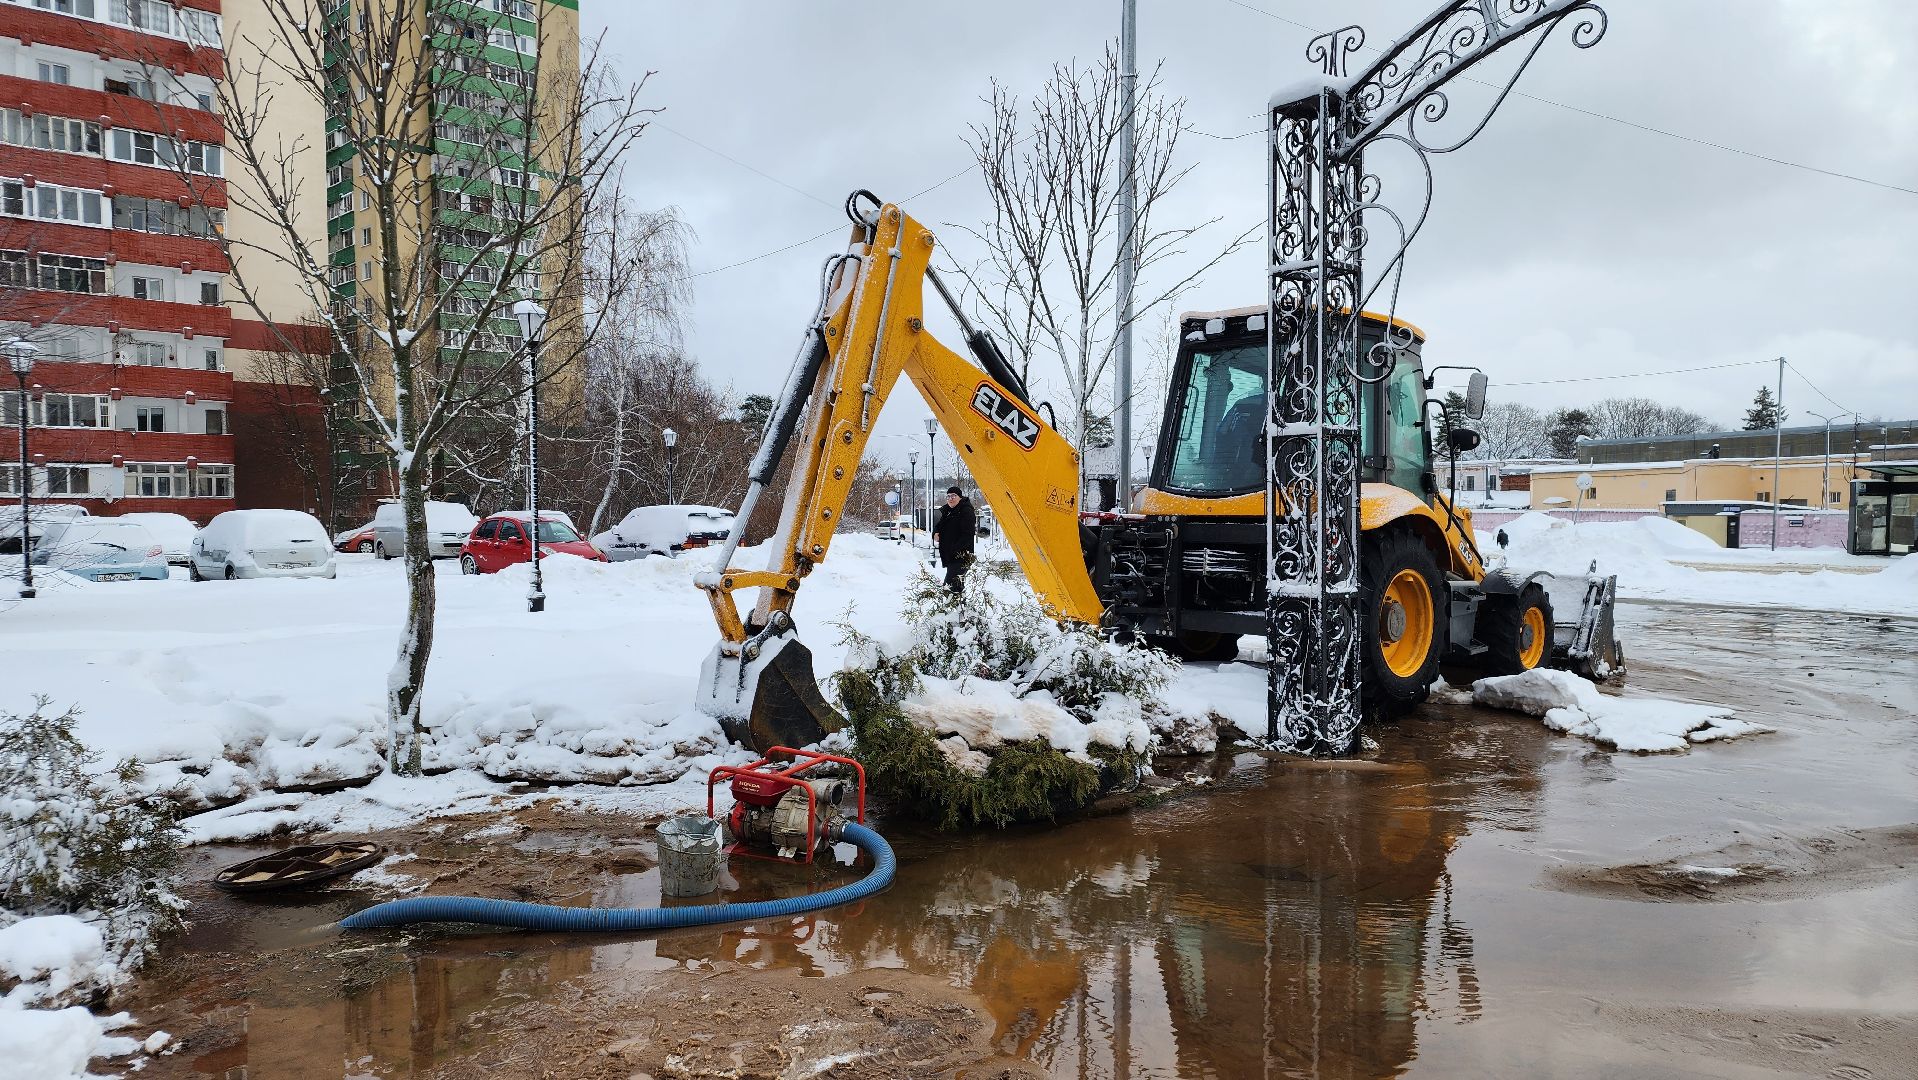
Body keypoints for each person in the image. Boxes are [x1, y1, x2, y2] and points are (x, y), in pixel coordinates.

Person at [932, 486, 976, 594]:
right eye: (948, 496)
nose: (950, 498)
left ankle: (954, 608)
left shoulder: (966, 511)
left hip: (961, 556)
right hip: (952, 556)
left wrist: (954, 550)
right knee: (956, 586)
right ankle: (961, 609)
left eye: (953, 496)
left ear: (960, 497)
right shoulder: (948, 511)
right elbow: (939, 526)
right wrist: (935, 533)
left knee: (950, 586)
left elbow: (968, 534)